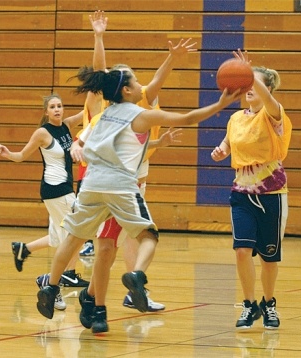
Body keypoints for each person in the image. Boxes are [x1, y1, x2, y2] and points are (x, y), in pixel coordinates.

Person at [35, 65, 241, 335]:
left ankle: (51, 286)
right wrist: (220, 103)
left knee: (73, 237)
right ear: (127, 90)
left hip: (91, 184)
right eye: (136, 81)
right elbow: (188, 118)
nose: (141, 85)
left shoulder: (104, 114)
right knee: (149, 236)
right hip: (120, 185)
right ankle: (137, 275)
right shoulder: (140, 115)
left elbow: (85, 145)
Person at [74, 10, 195, 312]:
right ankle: (85, 293)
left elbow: (156, 81)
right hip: (108, 180)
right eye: (131, 77)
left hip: (133, 180)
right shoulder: (110, 105)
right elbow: (100, 72)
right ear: (121, 88)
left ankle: (122, 287)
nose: (139, 82)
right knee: (107, 244)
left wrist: (172, 59)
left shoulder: (142, 101)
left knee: (120, 241)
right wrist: (98, 36)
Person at [211, 50, 292, 330]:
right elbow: (228, 144)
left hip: (272, 195)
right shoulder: (236, 119)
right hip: (242, 193)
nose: (248, 88)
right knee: (242, 251)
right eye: (246, 83)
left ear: (267, 89)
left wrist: (246, 71)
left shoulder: (274, 114)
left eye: (253, 83)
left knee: (270, 256)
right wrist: (221, 151)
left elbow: (269, 102)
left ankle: (269, 303)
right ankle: (249, 305)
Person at [0, 94, 89, 310]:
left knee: (59, 238)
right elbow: (21, 155)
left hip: (64, 189)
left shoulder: (67, 125)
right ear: (46, 112)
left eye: (59, 106)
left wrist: (97, 92)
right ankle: (52, 284)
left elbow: (88, 114)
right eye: (52, 107)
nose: (57, 109)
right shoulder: (42, 133)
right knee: (74, 236)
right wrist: (7, 153)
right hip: (56, 190)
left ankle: (25, 250)